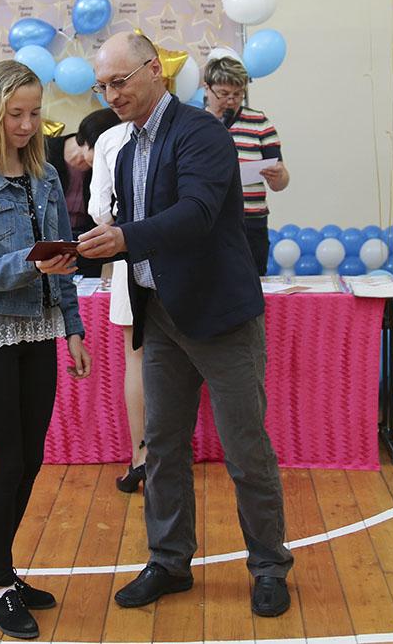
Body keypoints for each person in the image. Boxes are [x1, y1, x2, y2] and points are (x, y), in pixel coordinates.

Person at [78, 32, 294, 618]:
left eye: (119, 81)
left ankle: (269, 566)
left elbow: (197, 214)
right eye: (102, 86)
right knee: (162, 447)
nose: (110, 95)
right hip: (161, 314)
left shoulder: (201, 133)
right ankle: (169, 561)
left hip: (219, 317)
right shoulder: (124, 150)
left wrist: (124, 239)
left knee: (245, 448)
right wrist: (85, 249)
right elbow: (133, 232)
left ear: (155, 70)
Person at [0, 60, 92, 639]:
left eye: (34, 113)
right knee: (7, 461)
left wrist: (73, 327)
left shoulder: (46, 177)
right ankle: (0, 583)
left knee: (30, 459)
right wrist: (31, 264)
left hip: (41, 330)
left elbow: (64, 261)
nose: (27, 126)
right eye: (15, 114)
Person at [86, 118, 146, 492]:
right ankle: (165, 456)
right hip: (177, 254)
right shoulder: (188, 128)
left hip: (130, 249)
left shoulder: (110, 138)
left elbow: (100, 211)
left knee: (137, 358)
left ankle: (142, 457)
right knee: (175, 360)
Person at [203, 57, 289, 275]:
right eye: (223, 94)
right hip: (208, 221)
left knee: (253, 281)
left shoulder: (260, 122)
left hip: (251, 222)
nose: (231, 101)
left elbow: (280, 183)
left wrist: (278, 176)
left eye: (238, 94)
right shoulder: (194, 123)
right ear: (207, 88)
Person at [45, 109, 118, 276]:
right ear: (87, 141)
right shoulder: (45, 153)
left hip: (86, 250)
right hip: (47, 248)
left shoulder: (106, 170)